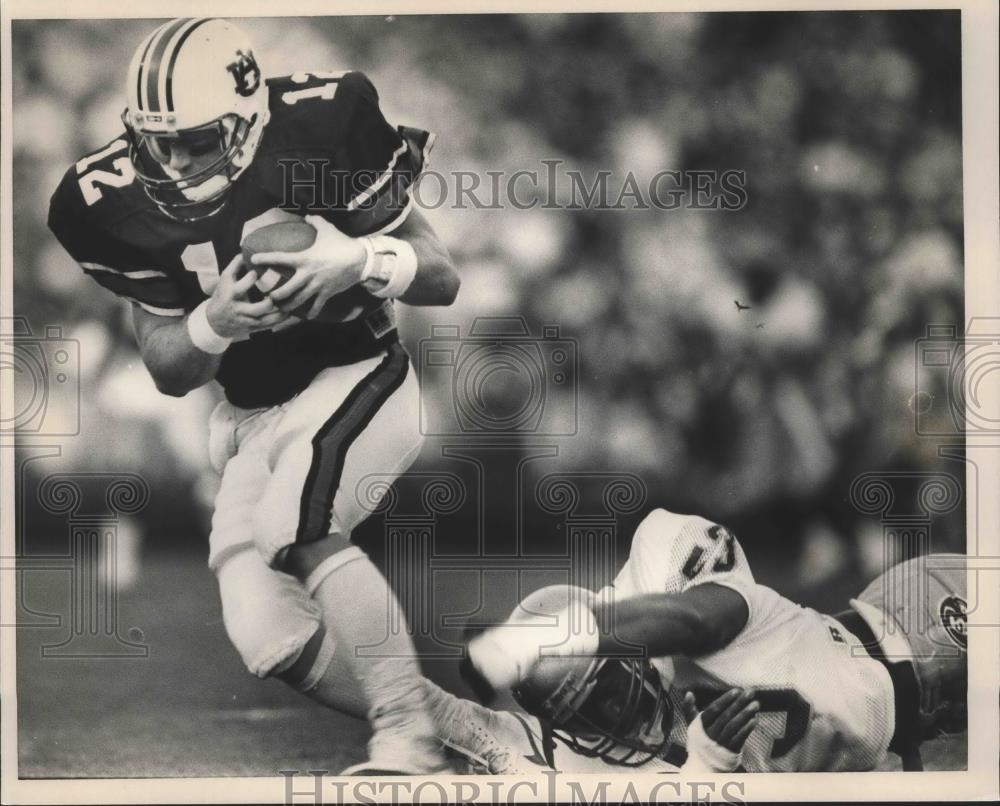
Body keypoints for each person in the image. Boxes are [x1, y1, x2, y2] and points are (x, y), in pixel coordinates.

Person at [47, 15, 476, 775]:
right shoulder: (99, 204)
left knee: (292, 520)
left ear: (247, 121)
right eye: (158, 142)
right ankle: (480, 732)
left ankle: (407, 737)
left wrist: (355, 259)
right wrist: (214, 321)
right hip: (251, 417)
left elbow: (440, 276)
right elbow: (171, 369)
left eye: (198, 140)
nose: (174, 162)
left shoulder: (322, 123)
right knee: (267, 633)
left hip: (359, 377)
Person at [468, 508, 967, 771]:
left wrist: (545, 639)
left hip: (923, 632)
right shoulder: (613, 759)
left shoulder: (659, 564)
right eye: (589, 713)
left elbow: (699, 620)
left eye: (610, 692)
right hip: (898, 754)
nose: (617, 715)